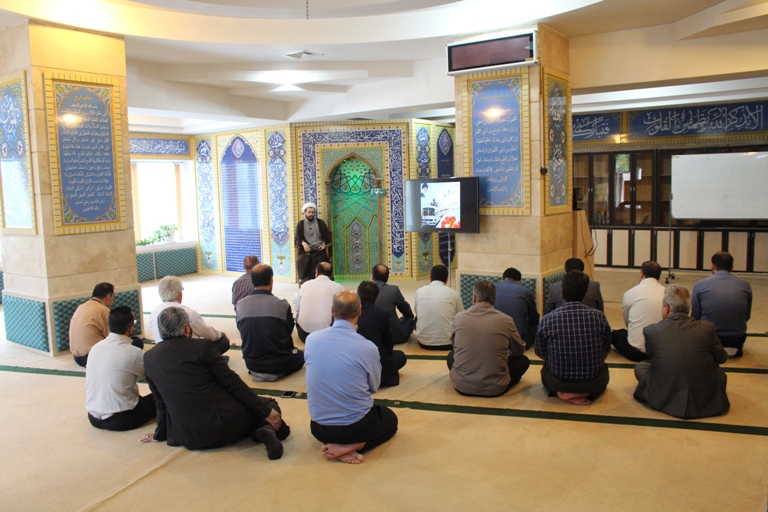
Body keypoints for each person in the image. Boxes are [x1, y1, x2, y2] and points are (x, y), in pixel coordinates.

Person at [141, 307, 289, 459]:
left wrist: (160, 434)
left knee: (257, 410)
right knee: (269, 405)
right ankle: (266, 429)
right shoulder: (202, 347)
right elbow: (232, 383)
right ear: (187, 328)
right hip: (220, 425)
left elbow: (160, 402)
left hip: (184, 434)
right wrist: (264, 411)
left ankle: (263, 429)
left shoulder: (149, 357)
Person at [305, 291, 398, 464]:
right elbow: (373, 387)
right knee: (390, 418)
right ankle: (357, 445)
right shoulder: (367, 347)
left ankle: (336, 444)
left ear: (332, 311)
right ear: (360, 311)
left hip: (319, 429)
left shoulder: (311, 340)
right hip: (356, 427)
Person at [634, 285, 730, 419]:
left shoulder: (652, 331)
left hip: (666, 391)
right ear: (689, 308)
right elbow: (722, 358)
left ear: (666, 307)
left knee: (641, 367)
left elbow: (652, 359)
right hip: (705, 398)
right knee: (716, 370)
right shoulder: (707, 328)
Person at [535, 270, 612, 406]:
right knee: (604, 372)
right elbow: (605, 351)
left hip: (557, 381)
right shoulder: (599, 317)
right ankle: (584, 393)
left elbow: (541, 353)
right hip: (592, 382)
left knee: (545, 371)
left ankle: (564, 393)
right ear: (585, 293)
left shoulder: (548, 319)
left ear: (562, 290)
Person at [448, 280, 529, 397]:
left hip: (462, 384)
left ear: (474, 298)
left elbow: (455, 346)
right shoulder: (506, 320)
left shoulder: (459, 318)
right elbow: (519, 351)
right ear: (494, 299)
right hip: (496, 387)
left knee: (451, 356)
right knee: (523, 361)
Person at [85, 306, 155, 431]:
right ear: (130, 328)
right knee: (162, 396)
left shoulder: (95, 348)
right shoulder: (133, 352)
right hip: (122, 419)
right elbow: (155, 377)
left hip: (93, 417)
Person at [237, 264, 304, 382]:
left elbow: (241, 328)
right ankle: (276, 374)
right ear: (271, 281)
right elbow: (288, 330)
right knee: (301, 355)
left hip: (252, 363)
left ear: (252, 281)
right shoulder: (282, 305)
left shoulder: (240, 305)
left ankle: (260, 372)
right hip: (280, 363)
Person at [148, 276, 230, 358]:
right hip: (190, 356)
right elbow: (208, 333)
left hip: (163, 354)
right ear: (179, 294)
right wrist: (220, 334)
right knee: (223, 342)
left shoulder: (154, 313)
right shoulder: (188, 313)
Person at [692, 251, 752, 358]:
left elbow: (695, 317)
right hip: (736, 339)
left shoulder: (700, 285)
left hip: (709, 337)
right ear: (732, 267)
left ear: (713, 266)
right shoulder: (745, 285)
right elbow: (746, 316)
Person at [69, 282, 143, 367]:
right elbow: (114, 337)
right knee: (136, 342)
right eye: (113, 296)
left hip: (77, 357)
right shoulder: (103, 310)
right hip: (91, 357)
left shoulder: (81, 306)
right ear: (108, 296)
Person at [611, 260, 665, 362]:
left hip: (636, 353)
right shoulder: (666, 292)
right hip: (661, 351)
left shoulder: (631, 293)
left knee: (614, 334)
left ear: (642, 274)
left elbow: (627, 320)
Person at [356, 280, 407, 387]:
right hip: (375, 363)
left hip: (353, 364)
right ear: (375, 298)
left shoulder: (349, 313)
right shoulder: (382, 313)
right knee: (400, 356)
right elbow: (388, 345)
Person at [413, 264, 463, 350]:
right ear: (446, 279)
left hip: (424, 343)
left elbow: (417, 312)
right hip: (449, 343)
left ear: (430, 278)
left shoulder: (419, 291)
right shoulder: (454, 294)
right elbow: (461, 317)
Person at [295, 262, 344, 342]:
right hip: (327, 336)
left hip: (304, 335)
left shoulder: (305, 285)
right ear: (331, 275)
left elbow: (297, 308)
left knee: (298, 314)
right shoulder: (338, 288)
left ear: (316, 272)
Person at [494, 267, 540, 349]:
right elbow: (534, 319)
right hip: (517, 340)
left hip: (493, 337)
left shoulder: (491, 289)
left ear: (503, 279)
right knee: (534, 326)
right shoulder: (525, 292)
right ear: (518, 281)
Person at [372, 264, 415, 345]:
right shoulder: (393, 290)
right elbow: (407, 311)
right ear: (387, 277)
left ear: (372, 276)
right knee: (409, 319)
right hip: (392, 337)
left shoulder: (363, 290)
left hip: (371, 336)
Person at [295, 202, 332, 285]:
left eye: (312, 212)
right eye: (309, 212)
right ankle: (304, 281)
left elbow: (326, 237)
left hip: (319, 250)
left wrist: (324, 244)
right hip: (307, 251)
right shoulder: (300, 224)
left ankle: (322, 281)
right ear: (304, 213)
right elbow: (298, 238)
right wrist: (303, 243)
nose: (311, 214)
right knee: (302, 259)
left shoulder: (321, 223)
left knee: (321, 259)